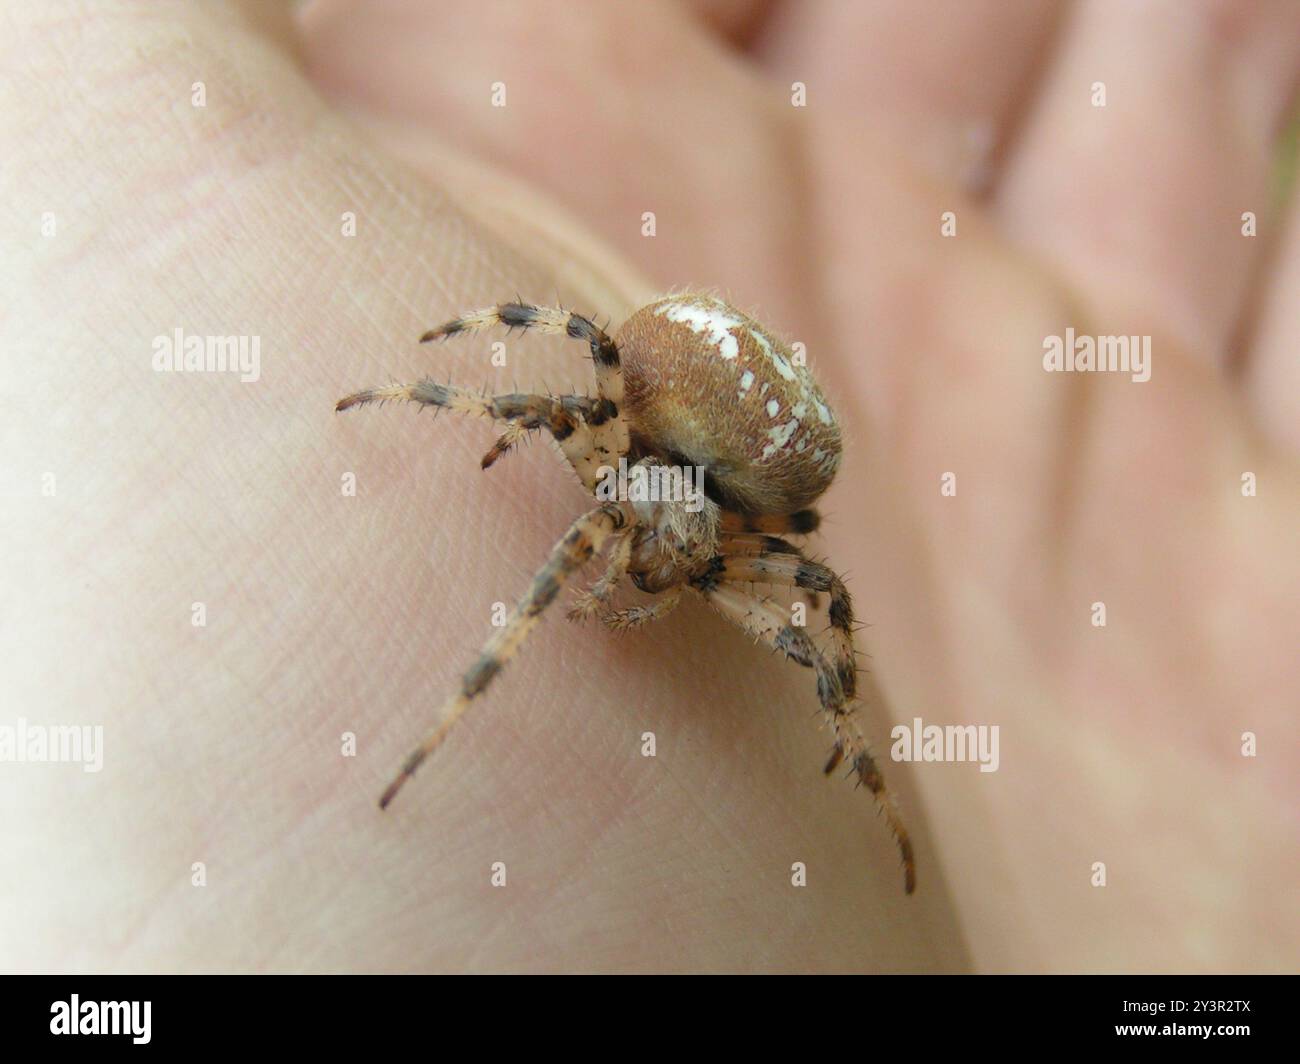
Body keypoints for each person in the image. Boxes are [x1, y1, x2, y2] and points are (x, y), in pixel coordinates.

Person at [3, 0, 1296, 972]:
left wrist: (865, 769)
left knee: (820, 632)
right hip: (693, 393)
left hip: (749, 445)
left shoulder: (743, 559)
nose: (641, 567)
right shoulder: (610, 453)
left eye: (663, 561)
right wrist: (415, 387)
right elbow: (556, 352)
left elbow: (823, 619)